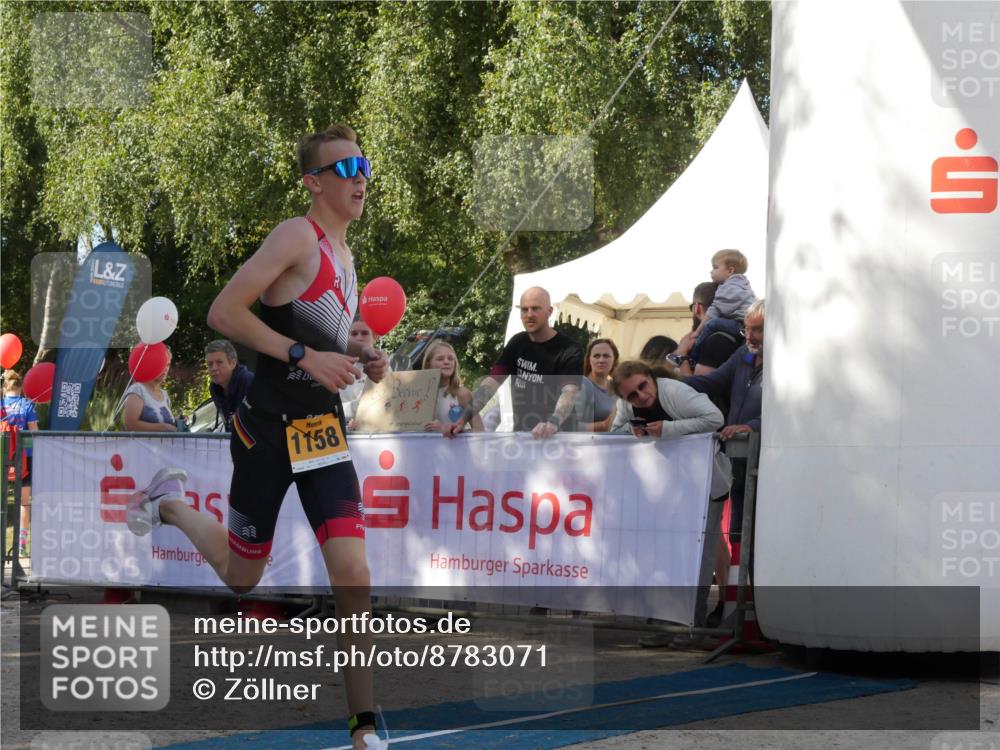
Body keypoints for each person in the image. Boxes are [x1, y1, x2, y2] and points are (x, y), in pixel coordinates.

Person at [125, 123, 390, 750]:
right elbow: (224, 312)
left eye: (364, 165)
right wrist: (305, 354)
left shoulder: (346, 253)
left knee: (353, 576)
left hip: (322, 430)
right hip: (266, 430)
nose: (360, 179)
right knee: (244, 578)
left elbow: (328, 332)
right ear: (313, 182)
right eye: (346, 169)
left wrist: (360, 352)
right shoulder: (297, 234)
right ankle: (168, 504)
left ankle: (364, 728)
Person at [608, 360, 732, 644]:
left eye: (643, 386)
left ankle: (693, 628)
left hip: (705, 484)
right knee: (665, 555)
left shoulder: (675, 392)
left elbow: (715, 419)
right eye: (632, 395)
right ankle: (666, 627)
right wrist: (633, 432)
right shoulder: (627, 406)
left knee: (700, 556)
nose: (641, 396)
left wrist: (669, 428)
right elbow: (616, 433)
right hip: (666, 488)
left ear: (651, 377)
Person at [684, 298, 765, 619]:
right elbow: (711, 382)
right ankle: (736, 609)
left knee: (756, 537)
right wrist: (665, 383)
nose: (751, 335)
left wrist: (753, 426)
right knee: (737, 536)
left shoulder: (789, 363)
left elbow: (790, 410)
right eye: (749, 328)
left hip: (767, 464)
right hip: (739, 464)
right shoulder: (743, 356)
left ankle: (757, 610)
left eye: (759, 329)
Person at [445, 286, 583, 439]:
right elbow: (491, 383)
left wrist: (552, 423)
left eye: (535, 308)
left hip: (560, 437)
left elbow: (569, 393)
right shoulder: (517, 342)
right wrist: (462, 419)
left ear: (549, 311)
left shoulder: (570, 349)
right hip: (524, 435)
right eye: (524, 309)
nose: (529, 315)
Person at [686, 249, 755, 365]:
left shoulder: (730, 287)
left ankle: (692, 356)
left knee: (711, 324)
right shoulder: (743, 284)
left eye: (715, 267)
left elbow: (714, 311)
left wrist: (697, 332)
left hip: (741, 325)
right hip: (745, 327)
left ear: (730, 270)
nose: (711, 272)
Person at [2, 370, 39, 557]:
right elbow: (35, 433)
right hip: (25, 459)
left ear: (4, 387)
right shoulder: (27, 405)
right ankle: (21, 545)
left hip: (2, 457)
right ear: (21, 386)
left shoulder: (1, 405)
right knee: (24, 503)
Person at [422, 340, 483, 433]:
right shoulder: (418, 393)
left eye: (450, 358)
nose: (446, 362)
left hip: (456, 447)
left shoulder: (462, 394)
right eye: (440, 359)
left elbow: (480, 430)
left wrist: (446, 429)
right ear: (428, 364)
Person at [122, 349, 179, 432]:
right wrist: (162, 427)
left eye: (168, 365)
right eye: (161, 363)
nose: (165, 368)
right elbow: (130, 425)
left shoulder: (164, 394)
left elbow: (162, 421)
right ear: (150, 364)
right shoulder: (137, 390)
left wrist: (178, 420)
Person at [206, 339, 253, 431]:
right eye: (210, 364)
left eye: (219, 362)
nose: (214, 368)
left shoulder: (249, 382)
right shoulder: (214, 387)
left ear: (233, 363)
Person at [577, 338, 619, 432]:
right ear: (589, 360)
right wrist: (603, 425)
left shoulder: (617, 388)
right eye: (596, 356)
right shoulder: (582, 385)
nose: (601, 360)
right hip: (585, 445)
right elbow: (568, 425)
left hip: (611, 445)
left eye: (606, 356)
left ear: (614, 359)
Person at [341, 318, 374, 426]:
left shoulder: (383, 366)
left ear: (375, 337)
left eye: (365, 333)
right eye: (354, 334)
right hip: (340, 426)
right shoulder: (337, 364)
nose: (359, 338)